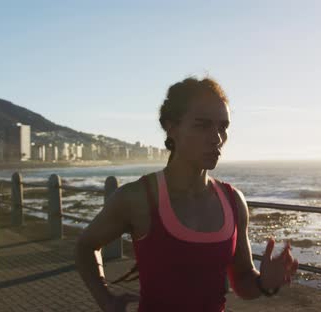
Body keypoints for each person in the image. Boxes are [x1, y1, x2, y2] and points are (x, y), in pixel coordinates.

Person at [75, 77, 299, 312]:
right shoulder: (138, 197)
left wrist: (265, 282)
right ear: (172, 128)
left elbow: (242, 282)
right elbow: (85, 246)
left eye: (223, 127)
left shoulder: (233, 201)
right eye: (202, 125)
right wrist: (106, 300)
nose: (217, 138)